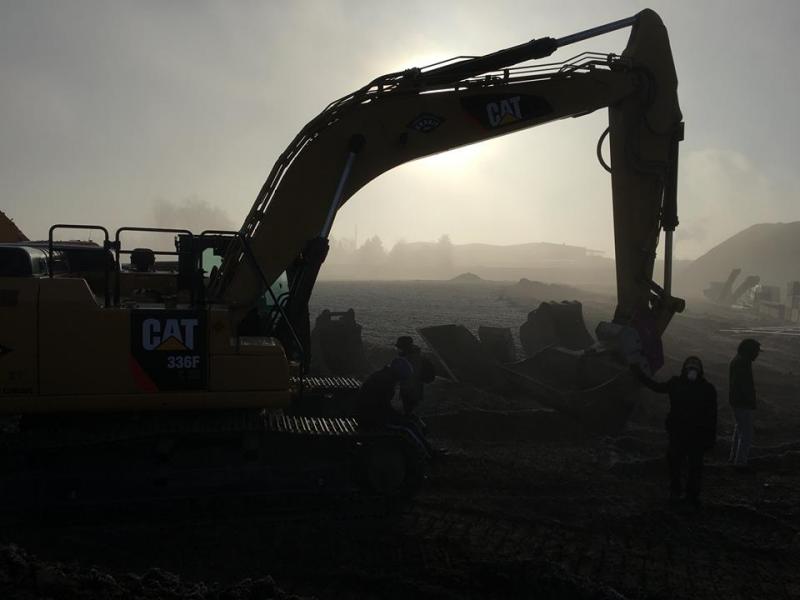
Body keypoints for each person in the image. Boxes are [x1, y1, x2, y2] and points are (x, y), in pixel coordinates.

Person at [632, 357, 717, 507]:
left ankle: (685, 494)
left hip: (690, 433)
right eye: (690, 367)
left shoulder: (699, 387)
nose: (692, 370)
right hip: (683, 432)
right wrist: (638, 373)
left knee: (688, 465)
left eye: (694, 367)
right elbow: (656, 387)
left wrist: (638, 373)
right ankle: (682, 493)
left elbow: (712, 415)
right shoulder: (703, 387)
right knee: (679, 464)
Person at [729, 338, 761, 467]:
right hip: (742, 403)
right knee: (746, 434)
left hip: (737, 401)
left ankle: (734, 459)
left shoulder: (739, 360)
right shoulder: (743, 363)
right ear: (750, 351)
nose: (757, 355)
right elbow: (744, 386)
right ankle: (740, 463)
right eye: (756, 352)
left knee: (740, 431)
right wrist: (751, 401)